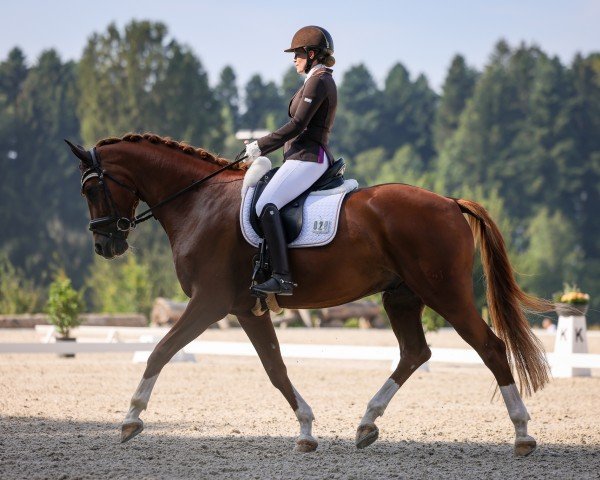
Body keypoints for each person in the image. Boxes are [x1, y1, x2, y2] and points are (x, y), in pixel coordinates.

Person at [244, 26, 337, 297]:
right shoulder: (313, 79)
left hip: (309, 157)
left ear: (311, 53)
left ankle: (282, 276)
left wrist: (260, 146)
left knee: (265, 204)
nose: (293, 59)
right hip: (299, 157)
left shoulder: (319, 81)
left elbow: (297, 125)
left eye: (297, 53)